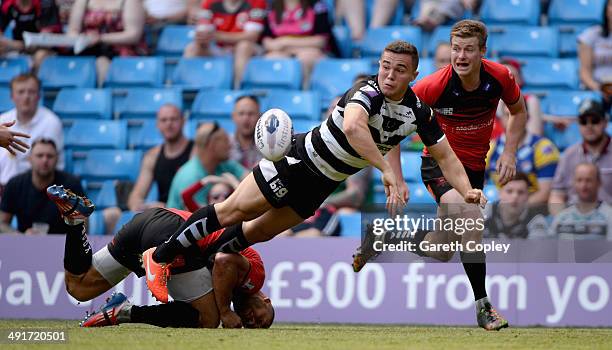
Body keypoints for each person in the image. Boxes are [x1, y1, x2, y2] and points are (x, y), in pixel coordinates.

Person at [145, 40, 486, 318]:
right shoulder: (364, 91)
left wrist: (468, 190)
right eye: (385, 66)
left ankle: (200, 260)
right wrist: (386, 169)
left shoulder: (419, 113)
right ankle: (159, 256)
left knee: (257, 232)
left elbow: (445, 156)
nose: (389, 74)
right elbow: (353, 128)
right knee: (233, 211)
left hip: (320, 186)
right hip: (296, 162)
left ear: (414, 74)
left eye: (399, 70)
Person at [383, 20, 527, 330]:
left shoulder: (499, 77)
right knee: (471, 219)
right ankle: (484, 307)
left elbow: (518, 111)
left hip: (474, 170)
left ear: (482, 51)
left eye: (468, 50)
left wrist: (510, 151)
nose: (460, 56)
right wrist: (396, 177)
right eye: (456, 49)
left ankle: (387, 238)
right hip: (438, 167)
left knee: (443, 250)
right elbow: (391, 129)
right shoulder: (432, 87)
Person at [47, 185, 273, 329]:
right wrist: (225, 312)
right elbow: (224, 262)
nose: (253, 321)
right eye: (262, 319)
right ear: (266, 301)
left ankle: (75, 221)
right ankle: (128, 309)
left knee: (79, 287)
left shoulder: (227, 289)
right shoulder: (256, 278)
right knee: (209, 319)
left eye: (252, 325)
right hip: (172, 234)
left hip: (145, 222)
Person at [0, 138, 83, 233]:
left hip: (62, 244)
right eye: (39, 156)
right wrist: (20, 237)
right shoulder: (15, 184)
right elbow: (2, 224)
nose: (45, 160)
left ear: (57, 159)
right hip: (26, 245)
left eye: (50, 156)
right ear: (30, 159)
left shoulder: (71, 185)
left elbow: (82, 223)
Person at [487, 101, 559, 204]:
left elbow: (545, 194)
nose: (512, 121)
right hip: (499, 207)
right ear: (501, 119)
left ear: (527, 117)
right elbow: (477, 186)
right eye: (507, 116)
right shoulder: (490, 148)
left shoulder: (544, 149)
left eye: (516, 116)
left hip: (533, 212)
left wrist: (515, 208)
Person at [184, 0, 266, 89]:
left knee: (244, 46)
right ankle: (187, 89)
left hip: (251, 49)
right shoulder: (209, 2)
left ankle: (238, 90)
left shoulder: (258, 2)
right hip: (220, 48)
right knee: (192, 48)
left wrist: (217, 36)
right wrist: (202, 36)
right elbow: (204, 29)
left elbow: (252, 36)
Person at [549, 99, 612, 215]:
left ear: (605, 123)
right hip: (575, 223)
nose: (589, 126)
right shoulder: (569, 155)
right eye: (583, 121)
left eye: (595, 121)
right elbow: (557, 195)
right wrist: (562, 220)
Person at [0, 74, 64, 187]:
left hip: (36, 185)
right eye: (21, 92)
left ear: (39, 96)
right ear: (12, 96)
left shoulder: (51, 122)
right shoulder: (3, 120)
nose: (26, 97)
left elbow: (49, 163)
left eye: (31, 92)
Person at [127, 104, 194, 212]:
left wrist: (168, 208)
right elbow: (136, 197)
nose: (169, 124)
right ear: (157, 124)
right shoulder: (152, 156)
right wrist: (142, 206)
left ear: (183, 121)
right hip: (163, 216)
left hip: (188, 215)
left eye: (173, 119)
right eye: (164, 120)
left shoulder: (195, 152)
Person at [165, 122, 246, 210]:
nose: (230, 145)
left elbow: (252, 180)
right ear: (212, 144)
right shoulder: (191, 176)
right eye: (226, 140)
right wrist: (233, 183)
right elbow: (206, 218)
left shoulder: (224, 164)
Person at [67, 0, 147, 86]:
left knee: (102, 62)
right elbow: (72, 31)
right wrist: (83, 38)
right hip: (87, 47)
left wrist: (100, 38)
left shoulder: (130, 2)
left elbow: (133, 35)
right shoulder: (83, 2)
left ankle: (101, 94)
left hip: (119, 51)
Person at [262, 0, 336, 88]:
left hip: (311, 50)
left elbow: (321, 40)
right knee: (273, 57)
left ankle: (305, 92)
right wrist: (286, 46)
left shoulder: (317, 6)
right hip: (282, 51)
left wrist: (286, 41)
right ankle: (282, 94)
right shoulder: (271, 7)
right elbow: (267, 42)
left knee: (307, 56)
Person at [550, 163, 612, 240]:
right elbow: (551, 248)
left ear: (599, 183)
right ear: (573, 183)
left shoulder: (609, 216)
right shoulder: (562, 217)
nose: (583, 185)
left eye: (588, 180)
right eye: (579, 180)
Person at [483, 172, 549, 239]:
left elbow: (537, 248)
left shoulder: (536, 220)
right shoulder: (485, 212)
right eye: (509, 191)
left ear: (527, 196)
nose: (515, 196)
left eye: (520, 192)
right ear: (500, 193)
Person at [0, 0, 62, 69]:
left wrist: (14, 45)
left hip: (45, 49)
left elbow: (44, 41)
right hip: (17, 48)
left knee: (40, 56)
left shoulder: (46, 3)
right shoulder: (7, 3)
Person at [577, 0, 612, 92]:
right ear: (606, 9)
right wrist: (598, 89)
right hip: (596, 88)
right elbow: (584, 71)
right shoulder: (591, 34)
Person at [229, 95, 262, 169]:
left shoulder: (268, 145)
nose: (246, 118)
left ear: (259, 117)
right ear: (233, 116)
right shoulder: (224, 144)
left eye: (251, 114)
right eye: (241, 113)